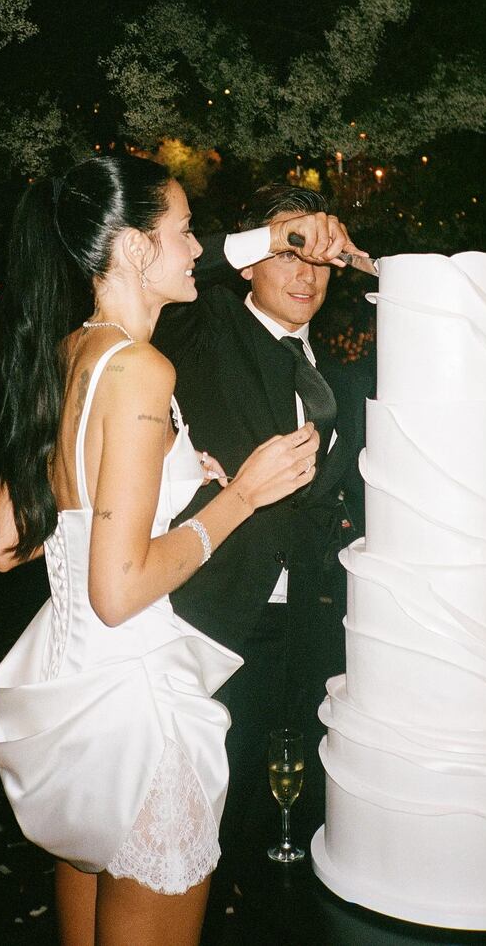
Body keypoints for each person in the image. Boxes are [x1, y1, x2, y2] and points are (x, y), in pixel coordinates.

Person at [0, 155, 324, 946]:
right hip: (136, 710)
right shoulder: (140, 368)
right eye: (181, 231)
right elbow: (118, 587)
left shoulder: (68, 354)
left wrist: (165, 488)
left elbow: (9, 541)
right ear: (136, 247)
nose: (197, 249)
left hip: (72, 706)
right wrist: (242, 494)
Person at [153, 184, 373, 932]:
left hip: (310, 628)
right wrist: (267, 234)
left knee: (299, 813)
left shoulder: (335, 376)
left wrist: (371, 266)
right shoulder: (203, 326)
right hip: (220, 622)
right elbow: (176, 266)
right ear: (250, 264)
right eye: (288, 254)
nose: (307, 272)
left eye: (320, 260)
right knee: (210, 817)